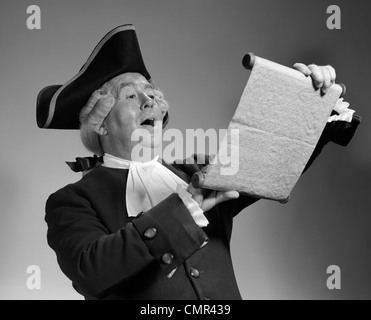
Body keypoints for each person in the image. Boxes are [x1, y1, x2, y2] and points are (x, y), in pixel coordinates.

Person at [37, 24, 360, 300]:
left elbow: (275, 161)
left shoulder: (198, 172)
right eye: (130, 95)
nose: (150, 99)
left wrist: (310, 101)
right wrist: (183, 206)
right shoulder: (72, 201)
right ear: (101, 123)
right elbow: (90, 271)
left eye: (152, 93)